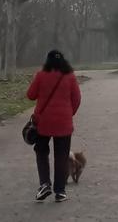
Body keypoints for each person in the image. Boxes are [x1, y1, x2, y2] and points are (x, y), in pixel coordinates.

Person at [26, 50, 82, 202]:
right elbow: (77, 99)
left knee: (41, 152)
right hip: (64, 123)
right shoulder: (70, 77)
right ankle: (60, 191)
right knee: (61, 156)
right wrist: (69, 114)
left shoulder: (41, 75)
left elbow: (30, 95)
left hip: (43, 122)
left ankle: (45, 184)